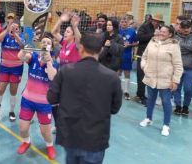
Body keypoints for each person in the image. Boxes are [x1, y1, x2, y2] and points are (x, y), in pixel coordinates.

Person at [47, 33, 122, 164]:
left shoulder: (65, 72)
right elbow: (115, 108)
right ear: (100, 50)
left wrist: (54, 78)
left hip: (71, 136)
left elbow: (52, 98)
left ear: (81, 49)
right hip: (96, 138)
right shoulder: (112, 77)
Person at [17, 33, 58, 160]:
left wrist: (49, 61)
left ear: (52, 47)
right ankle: (26, 141)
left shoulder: (54, 63)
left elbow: (52, 76)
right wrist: (25, 49)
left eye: (48, 43)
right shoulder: (33, 57)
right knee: (23, 128)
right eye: (44, 42)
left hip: (44, 103)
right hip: (28, 99)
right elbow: (20, 57)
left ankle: (50, 146)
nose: (45, 44)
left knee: (45, 131)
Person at [139, 25, 183, 136]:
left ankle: (166, 125)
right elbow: (144, 56)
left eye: (164, 32)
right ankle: (148, 118)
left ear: (170, 34)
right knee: (150, 100)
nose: (161, 33)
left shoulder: (174, 46)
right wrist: (144, 66)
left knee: (166, 102)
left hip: (166, 80)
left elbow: (178, 65)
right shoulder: (152, 41)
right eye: (160, 31)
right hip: (151, 77)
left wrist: (175, 80)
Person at [0, 20, 25, 121]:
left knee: (13, 91)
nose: (14, 29)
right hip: (4, 68)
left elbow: (23, 46)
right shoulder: (5, 36)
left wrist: (15, 34)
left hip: (17, 68)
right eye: (12, 27)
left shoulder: (21, 37)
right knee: (0, 90)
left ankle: (11, 111)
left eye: (16, 28)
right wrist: (7, 29)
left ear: (19, 30)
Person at [174, 20, 192, 115]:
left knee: (188, 89)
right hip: (177, 69)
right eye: (184, 27)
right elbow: (175, 49)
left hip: (190, 70)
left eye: (188, 27)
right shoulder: (175, 38)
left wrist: (181, 46)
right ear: (180, 28)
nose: (186, 29)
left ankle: (185, 107)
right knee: (176, 88)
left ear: (191, 28)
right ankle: (178, 106)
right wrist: (190, 47)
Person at [136, 13, 164, 105]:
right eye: (154, 20)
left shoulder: (161, 28)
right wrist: (153, 34)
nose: (156, 22)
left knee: (150, 77)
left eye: (158, 21)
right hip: (142, 55)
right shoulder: (144, 27)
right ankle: (141, 96)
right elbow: (139, 37)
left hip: (154, 56)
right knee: (141, 76)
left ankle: (147, 96)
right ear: (152, 20)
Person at [118, 17, 138, 99]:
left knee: (127, 72)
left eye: (125, 22)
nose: (124, 23)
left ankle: (126, 91)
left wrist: (129, 45)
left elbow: (137, 43)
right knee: (118, 72)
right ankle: (118, 89)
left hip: (127, 54)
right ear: (120, 23)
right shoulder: (117, 31)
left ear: (128, 23)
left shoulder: (132, 31)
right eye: (122, 22)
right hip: (117, 54)